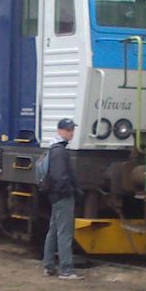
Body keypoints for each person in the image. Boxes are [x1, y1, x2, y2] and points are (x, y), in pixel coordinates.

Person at [42, 118, 83, 280]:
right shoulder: (60, 152)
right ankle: (66, 270)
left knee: (53, 231)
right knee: (64, 233)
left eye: (72, 129)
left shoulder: (54, 149)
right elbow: (60, 176)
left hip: (54, 196)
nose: (71, 133)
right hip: (62, 196)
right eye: (68, 130)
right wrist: (69, 191)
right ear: (60, 131)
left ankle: (49, 266)